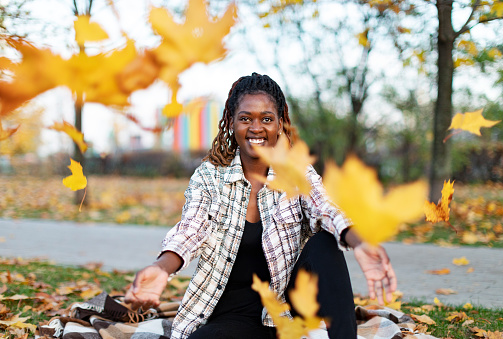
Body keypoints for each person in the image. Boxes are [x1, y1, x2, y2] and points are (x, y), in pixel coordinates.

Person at [125, 73, 397, 339]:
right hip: (232, 315)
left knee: (325, 243)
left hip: (286, 310)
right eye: (246, 119)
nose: (256, 128)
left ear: (280, 123)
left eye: (266, 119)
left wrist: (359, 242)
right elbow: (191, 230)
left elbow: (325, 208)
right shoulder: (209, 176)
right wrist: (162, 268)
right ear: (231, 123)